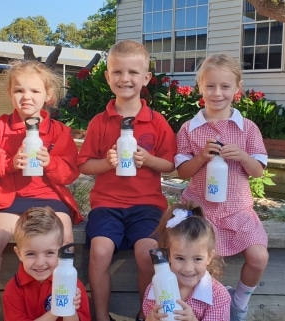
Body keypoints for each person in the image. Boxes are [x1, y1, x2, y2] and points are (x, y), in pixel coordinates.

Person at [0, 60, 83, 321]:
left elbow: (71, 170)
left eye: (34, 91)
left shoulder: (58, 131)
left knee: (64, 236)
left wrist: (50, 163)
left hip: (49, 197)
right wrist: (9, 163)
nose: (26, 97)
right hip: (10, 198)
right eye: (19, 90)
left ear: (48, 95)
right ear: (10, 93)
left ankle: (61, 294)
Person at [77, 39, 177, 321]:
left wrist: (148, 159)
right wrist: (107, 164)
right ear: (108, 77)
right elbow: (84, 165)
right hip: (107, 205)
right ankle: (101, 316)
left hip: (147, 205)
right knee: (99, 251)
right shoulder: (100, 121)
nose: (125, 79)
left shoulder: (157, 121)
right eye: (118, 72)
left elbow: (171, 165)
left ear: (146, 78)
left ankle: (146, 314)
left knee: (149, 254)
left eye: (133, 73)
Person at [174, 53, 270, 321]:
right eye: (210, 86)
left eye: (225, 86)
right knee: (200, 265)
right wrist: (201, 158)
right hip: (200, 210)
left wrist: (243, 156)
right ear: (200, 87)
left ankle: (239, 301)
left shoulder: (247, 129)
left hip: (237, 210)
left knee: (259, 257)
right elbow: (182, 172)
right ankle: (203, 309)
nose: (217, 93)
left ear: (237, 88)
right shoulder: (189, 129)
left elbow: (258, 170)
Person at [141, 202, 230, 321]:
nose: (188, 268)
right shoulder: (155, 290)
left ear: (209, 257)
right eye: (180, 258)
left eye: (197, 259)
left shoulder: (218, 296)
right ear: (168, 256)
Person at [3, 207, 91, 321]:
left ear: (60, 252)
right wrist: (56, 310)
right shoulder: (13, 289)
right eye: (31, 254)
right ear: (19, 253)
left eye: (49, 253)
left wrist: (69, 308)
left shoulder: (73, 284)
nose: (40, 263)